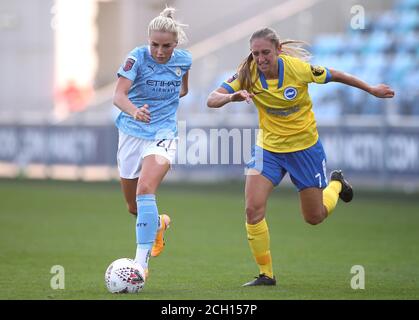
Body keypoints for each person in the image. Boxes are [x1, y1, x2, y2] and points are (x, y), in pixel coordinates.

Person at [206, 27, 394, 286]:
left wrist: (371, 89)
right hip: (268, 150)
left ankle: (336, 183)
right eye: (255, 53)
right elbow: (211, 99)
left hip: (304, 149)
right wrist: (231, 97)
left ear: (278, 50)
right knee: (252, 209)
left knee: (313, 217)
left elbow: (337, 75)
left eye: (265, 53)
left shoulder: (297, 69)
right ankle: (266, 274)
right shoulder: (246, 74)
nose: (260, 59)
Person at [113, 7, 192, 277]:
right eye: (155, 45)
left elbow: (183, 89)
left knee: (145, 189)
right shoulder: (136, 59)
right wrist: (135, 110)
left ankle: (140, 266)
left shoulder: (183, 60)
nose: (160, 51)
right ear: (148, 41)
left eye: (166, 46)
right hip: (132, 132)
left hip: (164, 135)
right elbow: (118, 96)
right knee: (133, 207)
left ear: (175, 44)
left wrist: (163, 109)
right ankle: (158, 223)